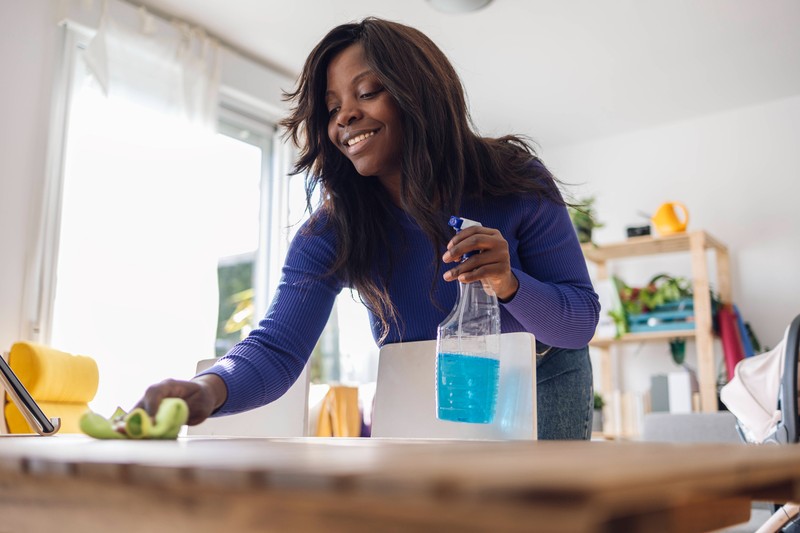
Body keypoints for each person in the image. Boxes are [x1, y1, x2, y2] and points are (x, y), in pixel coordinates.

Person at [135, 17, 600, 440]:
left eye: (368, 91)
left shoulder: (512, 180)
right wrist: (207, 389)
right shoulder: (332, 232)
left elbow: (578, 323)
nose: (345, 117)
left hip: (540, 383)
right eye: (332, 107)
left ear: (418, 91)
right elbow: (277, 348)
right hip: (417, 387)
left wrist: (509, 283)